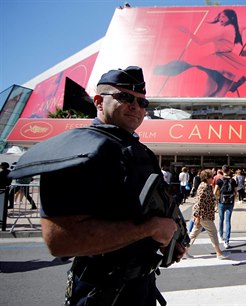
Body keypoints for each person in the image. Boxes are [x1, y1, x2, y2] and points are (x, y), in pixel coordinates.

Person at [11, 66, 184, 305]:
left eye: (142, 102)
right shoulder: (80, 150)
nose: (136, 106)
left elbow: (138, 210)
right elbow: (60, 241)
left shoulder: (138, 152)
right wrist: (151, 229)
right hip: (101, 293)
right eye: (125, 97)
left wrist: (168, 241)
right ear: (98, 101)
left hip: (140, 287)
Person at [154, 9, 246, 97]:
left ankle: (162, 69)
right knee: (218, 91)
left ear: (231, 18)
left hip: (223, 59)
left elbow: (200, 41)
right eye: (220, 16)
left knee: (215, 90)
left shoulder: (225, 30)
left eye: (223, 17)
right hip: (227, 60)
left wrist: (187, 31)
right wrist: (241, 30)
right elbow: (236, 46)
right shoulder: (233, 30)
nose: (220, 19)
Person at [186, 169, 229, 259]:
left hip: (203, 215)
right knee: (213, 232)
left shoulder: (205, 186)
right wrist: (197, 217)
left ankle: (183, 251)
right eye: (211, 177)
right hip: (204, 215)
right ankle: (219, 253)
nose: (213, 178)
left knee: (193, 234)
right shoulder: (204, 187)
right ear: (207, 178)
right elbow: (199, 203)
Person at [214, 165, 237, 249]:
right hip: (230, 202)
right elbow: (236, 192)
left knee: (221, 219)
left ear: (222, 171)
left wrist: (216, 200)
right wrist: (234, 201)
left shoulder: (220, 180)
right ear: (229, 171)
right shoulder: (233, 180)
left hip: (221, 201)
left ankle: (220, 235)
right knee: (228, 221)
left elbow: (215, 191)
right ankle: (227, 241)